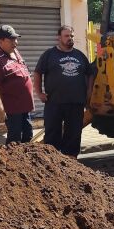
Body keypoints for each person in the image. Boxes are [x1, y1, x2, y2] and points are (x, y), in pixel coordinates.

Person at [33, 26, 95, 157]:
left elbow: (90, 73)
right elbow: (37, 73)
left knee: (73, 134)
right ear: (59, 38)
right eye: (66, 36)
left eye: (71, 36)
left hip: (76, 103)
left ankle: (71, 162)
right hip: (54, 102)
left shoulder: (79, 55)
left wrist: (89, 90)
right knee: (52, 133)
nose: (70, 39)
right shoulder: (49, 54)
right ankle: (53, 163)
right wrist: (39, 93)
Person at [0, 25, 34, 144]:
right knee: (15, 139)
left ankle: (26, 161)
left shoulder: (14, 52)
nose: (15, 42)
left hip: (24, 106)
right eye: (11, 40)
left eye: (16, 39)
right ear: (1, 40)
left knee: (28, 134)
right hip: (13, 108)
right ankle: (11, 161)